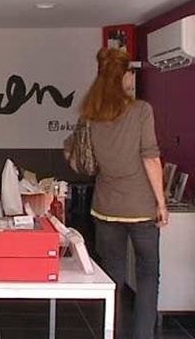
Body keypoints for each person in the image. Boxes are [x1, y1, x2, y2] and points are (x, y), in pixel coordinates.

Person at [74, 47, 168, 339]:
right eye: (130, 72)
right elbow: (150, 157)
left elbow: (79, 158)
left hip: (105, 207)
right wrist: (161, 203)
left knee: (113, 276)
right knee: (147, 273)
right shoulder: (141, 110)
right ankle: (143, 336)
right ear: (125, 75)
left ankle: (112, 333)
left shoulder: (90, 114)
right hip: (141, 208)